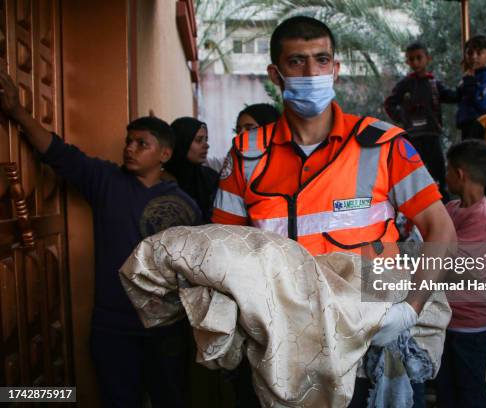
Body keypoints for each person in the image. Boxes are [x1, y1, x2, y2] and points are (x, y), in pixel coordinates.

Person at [212, 16, 456, 407]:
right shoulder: (246, 154)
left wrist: (410, 311)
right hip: (279, 344)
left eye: (321, 60)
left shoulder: (384, 145)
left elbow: (441, 230)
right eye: (297, 62)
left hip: (364, 340)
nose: (312, 72)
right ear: (276, 73)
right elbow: (220, 251)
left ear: (336, 69)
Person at [0, 70, 202, 407]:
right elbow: (56, 151)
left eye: (142, 144)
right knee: (118, 400)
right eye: (128, 141)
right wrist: (17, 112)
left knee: (171, 398)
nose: (130, 149)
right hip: (114, 326)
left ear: (164, 155)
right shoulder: (106, 180)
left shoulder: (185, 205)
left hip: (167, 329)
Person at [434, 140, 486, 408]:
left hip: (470, 323)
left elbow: (457, 267)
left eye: (448, 170)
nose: (445, 176)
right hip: (448, 319)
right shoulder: (451, 209)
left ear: (459, 174)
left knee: (469, 392)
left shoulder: (484, 217)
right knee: (446, 390)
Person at [384, 41, 458, 200]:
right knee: (412, 171)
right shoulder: (405, 84)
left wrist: (468, 83)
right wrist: (403, 118)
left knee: (438, 171)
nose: (415, 63)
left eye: (419, 58)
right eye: (411, 59)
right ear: (407, 62)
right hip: (413, 136)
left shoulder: (434, 84)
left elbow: (452, 97)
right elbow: (390, 103)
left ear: (427, 59)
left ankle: (442, 203)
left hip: (432, 133)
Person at [166, 117, 218, 223]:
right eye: (199, 140)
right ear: (182, 141)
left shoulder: (211, 177)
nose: (206, 145)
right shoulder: (162, 179)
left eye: (206, 140)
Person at [456, 35, 486, 140]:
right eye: (470, 53)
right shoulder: (471, 74)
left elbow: (482, 102)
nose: (473, 57)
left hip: (480, 124)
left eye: (479, 53)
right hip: (468, 124)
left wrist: (469, 82)